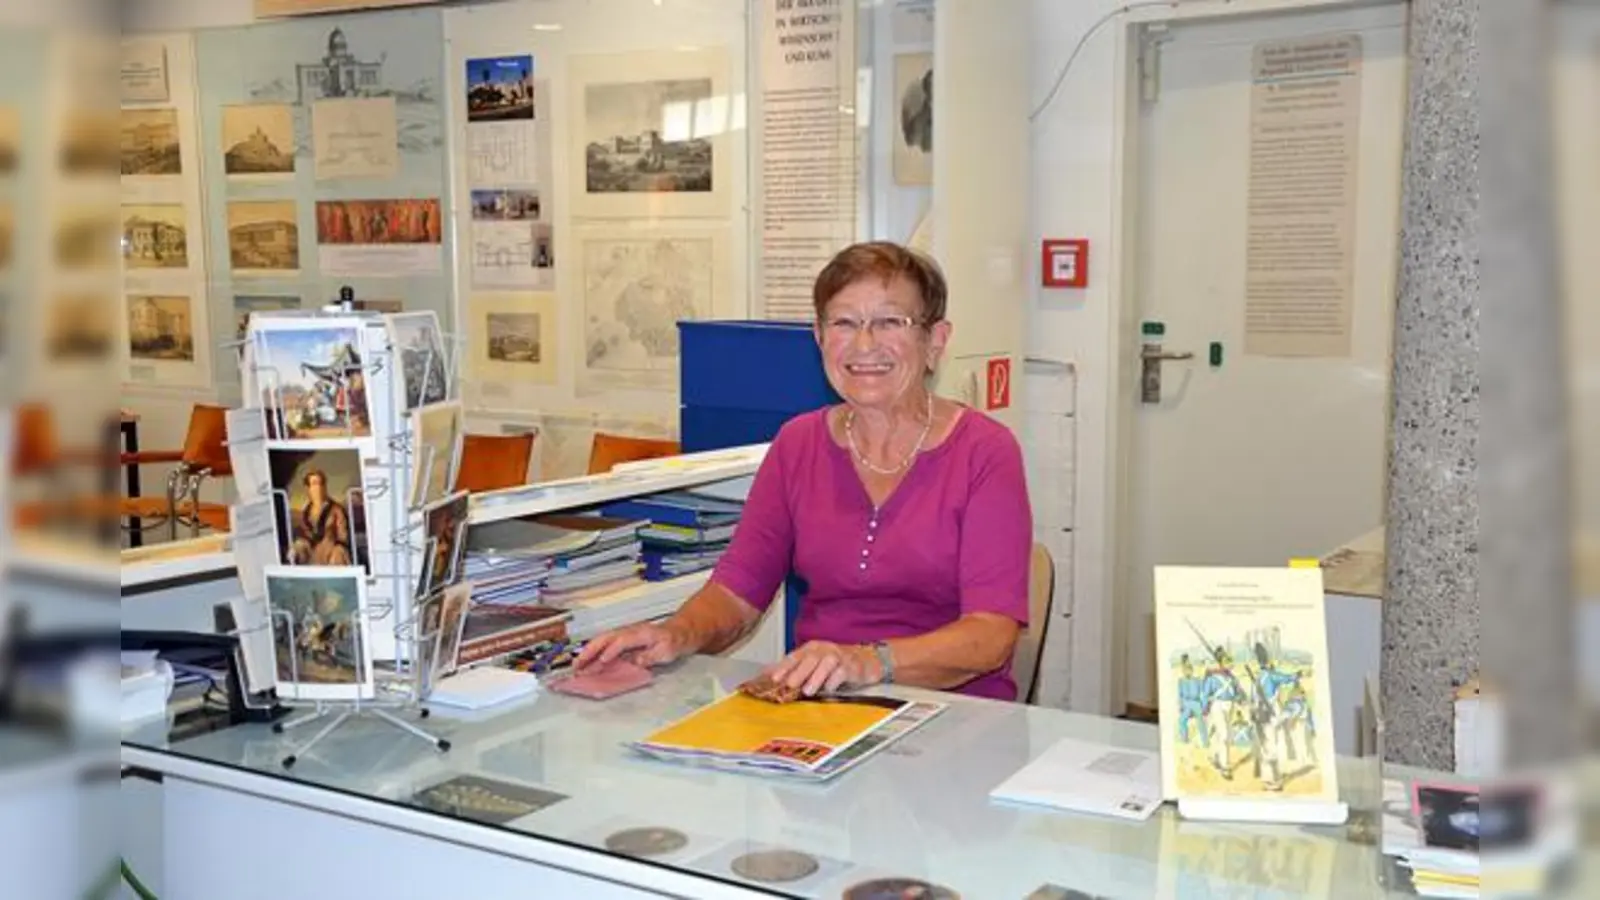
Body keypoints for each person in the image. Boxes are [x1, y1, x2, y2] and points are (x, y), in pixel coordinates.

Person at [576, 241, 1033, 700]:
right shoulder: (797, 444)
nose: (865, 344)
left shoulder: (985, 451)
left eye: (891, 321)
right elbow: (737, 594)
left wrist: (868, 660)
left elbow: (991, 635)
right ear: (819, 338)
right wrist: (676, 634)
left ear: (935, 340)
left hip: (956, 717)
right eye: (844, 323)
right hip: (820, 706)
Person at [291, 468, 354, 566]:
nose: (319, 487)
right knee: (297, 547)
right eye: (315, 484)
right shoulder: (306, 512)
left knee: (338, 553)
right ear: (309, 488)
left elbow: (343, 536)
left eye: (321, 483)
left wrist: (335, 546)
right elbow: (304, 534)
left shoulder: (336, 510)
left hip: (331, 551)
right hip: (311, 551)